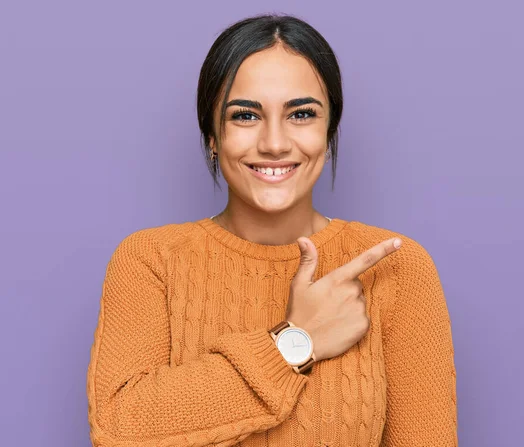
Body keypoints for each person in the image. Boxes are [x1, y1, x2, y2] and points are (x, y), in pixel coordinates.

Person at [86, 13, 457, 447]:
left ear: (329, 129)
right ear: (212, 135)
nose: (275, 143)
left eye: (301, 114)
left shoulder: (397, 269)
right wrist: (295, 343)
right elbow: (118, 429)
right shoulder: (150, 260)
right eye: (245, 115)